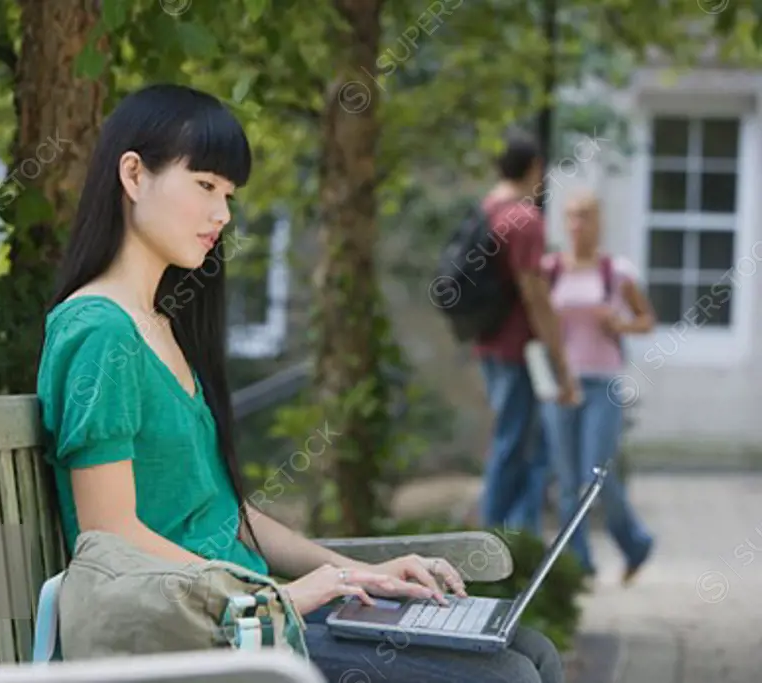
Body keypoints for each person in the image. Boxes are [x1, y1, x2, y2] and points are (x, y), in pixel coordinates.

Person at [35, 83, 564, 683]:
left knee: (530, 649)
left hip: (247, 613)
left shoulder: (160, 326)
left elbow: (232, 518)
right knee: (507, 675)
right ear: (133, 175)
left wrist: (358, 573)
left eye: (228, 194)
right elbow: (111, 534)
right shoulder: (99, 331)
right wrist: (276, 595)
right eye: (205, 185)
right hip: (191, 635)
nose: (222, 215)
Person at [538, 189, 655, 583]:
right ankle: (579, 565)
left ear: (599, 221)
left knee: (595, 476)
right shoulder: (551, 268)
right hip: (561, 384)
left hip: (603, 383)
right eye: (571, 216)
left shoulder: (615, 271)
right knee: (567, 481)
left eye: (585, 215)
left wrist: (619, 324)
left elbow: (646, 320)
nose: (576, 224)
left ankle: (635, 543)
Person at [474, 130, 579, 536]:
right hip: (520, 351)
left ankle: (509, 533)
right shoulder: (525, 219)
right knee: (518, 444)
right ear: (536, 168)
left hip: (488, 343)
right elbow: (535, 294)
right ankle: (500, 540)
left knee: (512, 439)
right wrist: (561, 360)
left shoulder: (487, 209)